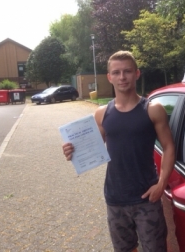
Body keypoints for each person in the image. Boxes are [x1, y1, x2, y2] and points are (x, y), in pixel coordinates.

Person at [62, 50, 175, 252]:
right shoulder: (102, 113)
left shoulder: (152, 109)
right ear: (109, 77)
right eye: (116, 72)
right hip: (115, 198)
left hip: (147, 198)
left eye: (127, 71)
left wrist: (161, 183)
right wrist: (72, 151)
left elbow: (168, 146)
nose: (122, 77)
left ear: (136, 74)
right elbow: (92, 148)